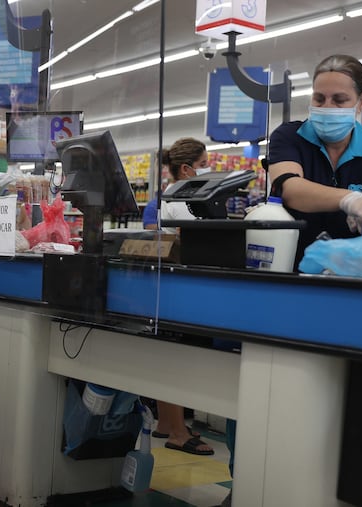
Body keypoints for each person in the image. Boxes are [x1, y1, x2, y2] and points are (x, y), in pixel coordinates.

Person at [267, 54, 362, 266]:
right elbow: (289, 189)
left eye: (339, 100)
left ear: (361, 102)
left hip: (353, 275)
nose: (327, 107)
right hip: (289, 270)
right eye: (319, 99)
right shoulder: (289, 137)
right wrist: (352, 199)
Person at [141, 137, 214, 457]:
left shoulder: (164, 197)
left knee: (164, 355)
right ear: (186, 170)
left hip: (163, 288)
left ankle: (166, 424)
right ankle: (180, 433)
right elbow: (186, 239)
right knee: (175, 358)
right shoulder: (182, 199)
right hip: (177, 287)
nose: (207, 170)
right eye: (203, 165)